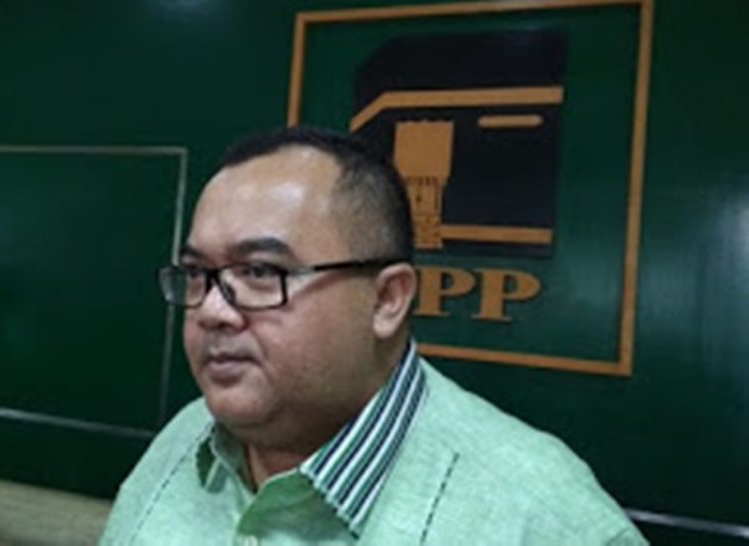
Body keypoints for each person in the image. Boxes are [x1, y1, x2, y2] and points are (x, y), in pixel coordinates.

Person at [100, 126, 646, 545]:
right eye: (198, 273)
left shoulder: (544, 519)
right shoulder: (182, 442)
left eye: (261, 272)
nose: (213, 310)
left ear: (387, 300)